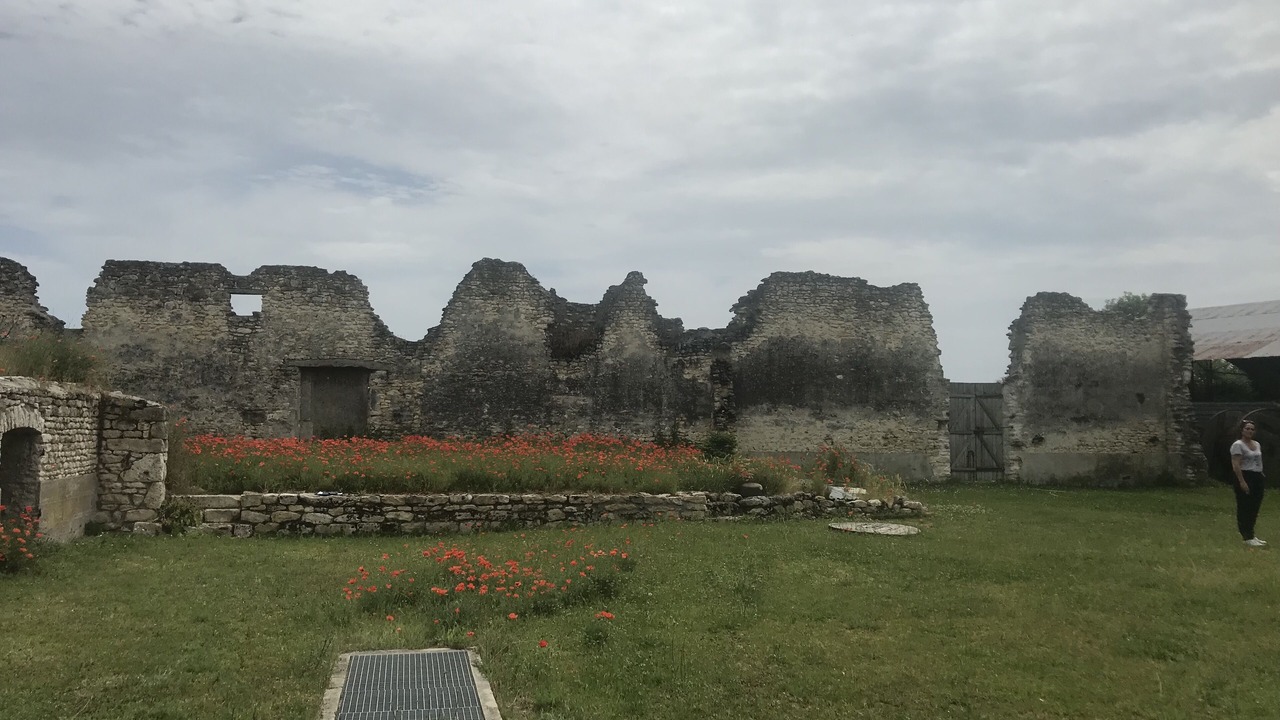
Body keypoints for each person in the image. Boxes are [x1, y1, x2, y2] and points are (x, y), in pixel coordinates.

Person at [1231, 420, 1266, 547]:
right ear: (1242, 430)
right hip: (1245, 475)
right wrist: (1242, 481)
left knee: (1254, 506)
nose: (1250, 431)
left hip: (1257, 476)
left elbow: (1258, 460)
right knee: (1245, 506)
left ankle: (1251, 533)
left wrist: (1261, 474)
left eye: (1252, 429)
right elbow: (1236, 464)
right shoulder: (1238, 445)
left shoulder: (1257, 444)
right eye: (1247, 428)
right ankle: (1246, 536)